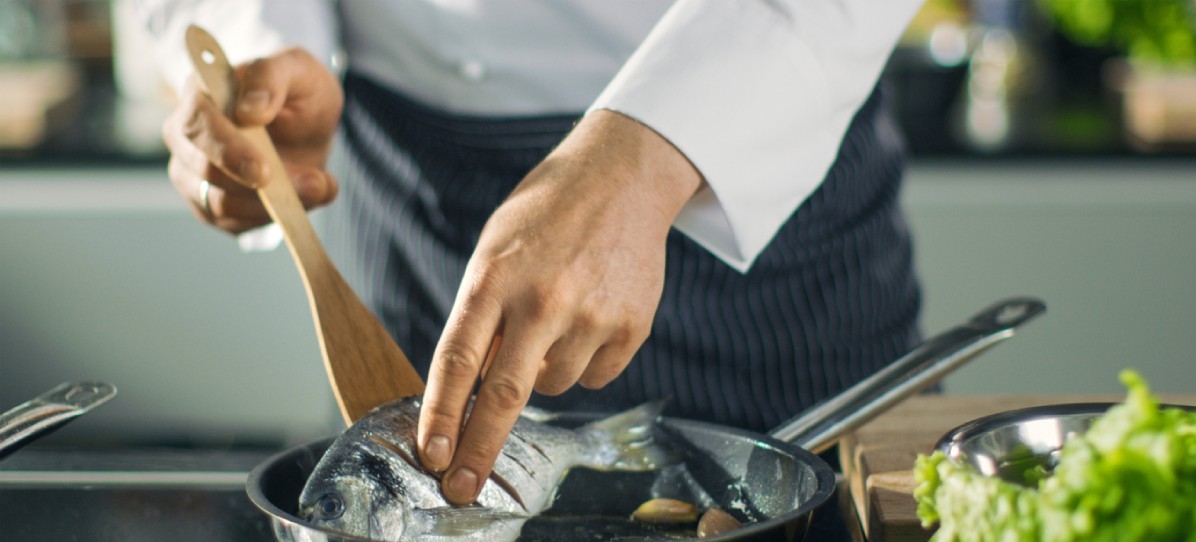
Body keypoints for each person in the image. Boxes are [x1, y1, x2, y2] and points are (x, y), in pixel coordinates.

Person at [141, 0, 927, 506]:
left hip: (757, 157)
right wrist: (259, 43)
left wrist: (647, 152)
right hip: (415, 195)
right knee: (403, 525)